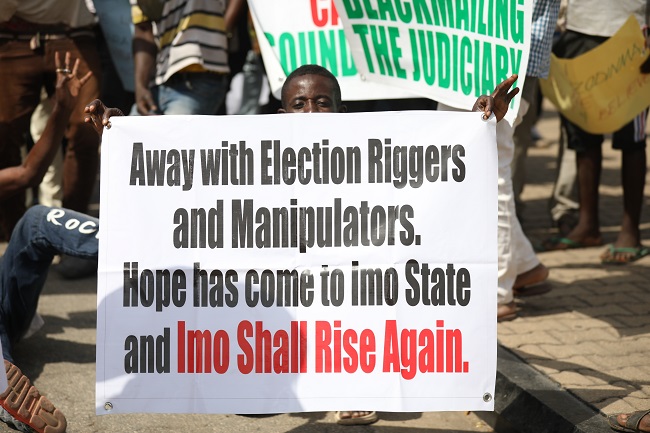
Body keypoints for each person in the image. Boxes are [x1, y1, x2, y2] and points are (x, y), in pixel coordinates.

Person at [0, 64, 516, 433]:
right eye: (300, 103)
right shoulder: (251, 155)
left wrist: (475, 130)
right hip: (197, 264)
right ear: (280, 112)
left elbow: (439, 176)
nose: (312, 111)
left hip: (296, 306)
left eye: (323, 103)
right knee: (39, 221)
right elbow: (174, 171)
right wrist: (125, 135)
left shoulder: (377, 169)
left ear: (343, 112)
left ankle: (349, 382)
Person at [0, 52, 92, 433]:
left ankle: (136, 245)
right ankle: (4, 384)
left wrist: (61, 107)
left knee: (37, 220)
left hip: (5, 307)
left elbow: (28, 173)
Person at [541, 0, 650, 265]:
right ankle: (587, 225)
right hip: (579, 29)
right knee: (583, 137)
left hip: (631, 35)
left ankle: (630, 231)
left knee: (631, 140)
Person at [0, 1, 102, 241]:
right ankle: (18, 236)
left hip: (72, 32)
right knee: (4, 135)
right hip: (12, 34)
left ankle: (74, 232)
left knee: (88, 127)